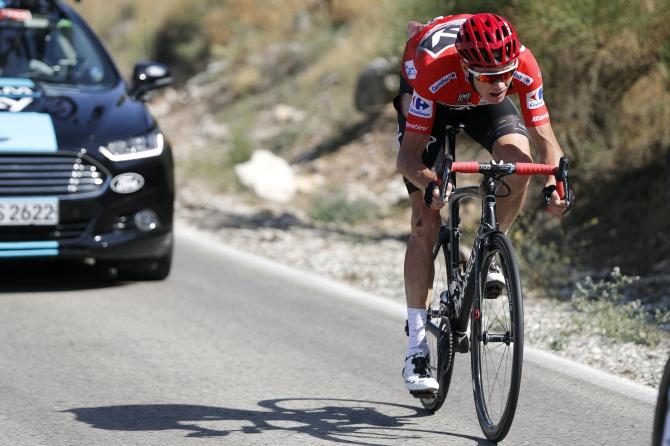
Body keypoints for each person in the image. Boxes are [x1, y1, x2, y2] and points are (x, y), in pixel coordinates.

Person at [394, 13, 573, 393]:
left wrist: (557, 182)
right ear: (466, 65)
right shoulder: (434, 70)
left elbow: (546, 139)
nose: (501, 82)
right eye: (491, 76)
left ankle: (489, 249)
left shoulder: (520, 65)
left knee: (519, 162)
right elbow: (407, 158)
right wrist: (429, 183)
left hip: (475, 100)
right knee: (425, 221)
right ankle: (416, 349)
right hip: (432, 95)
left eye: (506, 73)